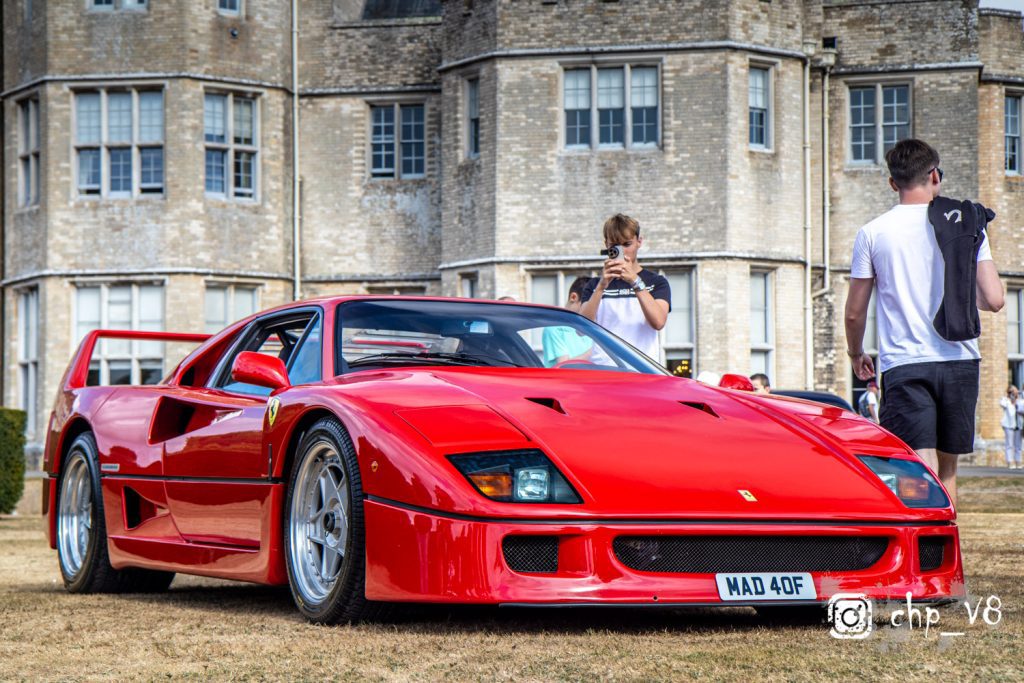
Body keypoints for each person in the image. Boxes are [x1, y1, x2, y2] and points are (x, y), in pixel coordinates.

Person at [845, 139, 1004, 505]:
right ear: (934, 175)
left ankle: (923, 538)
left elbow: (854, 312)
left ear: (892, 183)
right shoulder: (968, 223)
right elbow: (994, 299)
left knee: (917, 467)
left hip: (905, 362)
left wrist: (856, 353)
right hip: (960, 359)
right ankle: (948, 538)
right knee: (948, 470)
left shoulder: (873, 232)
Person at [580, 214, 670, 360]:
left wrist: (635, 281)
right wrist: (601, 286)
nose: (622, 251)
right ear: (607, 245)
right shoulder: (594, 285)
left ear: (639, 241)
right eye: (615, 246)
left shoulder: (656, 282)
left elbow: (658, 322)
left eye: (627, 244)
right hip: (603, 369)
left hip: (641, 367)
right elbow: (581, 329)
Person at [541, 277, 594, 367]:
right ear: (573, 297)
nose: (592, 311)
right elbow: (563, 366)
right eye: (587, 305)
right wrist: (594, 352)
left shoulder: (590, 328)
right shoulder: (554, 328)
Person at [999, 385, 1022, 469]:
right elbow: (1003, 404)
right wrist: (1010, 400)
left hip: (1018, 425)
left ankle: (1018, 461)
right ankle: (1010, 462)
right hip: (1008, 425)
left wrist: (1016, 400)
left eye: (1014, 391)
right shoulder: (1005, 400)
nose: (1013, 393)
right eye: (1011, 392)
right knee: (1009, 444)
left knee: (1018, 444)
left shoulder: (1020, 400)